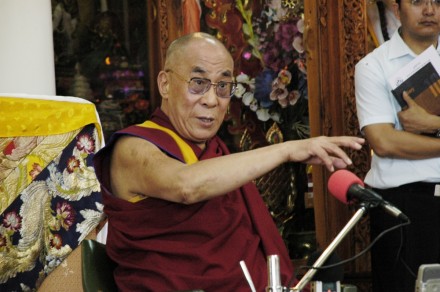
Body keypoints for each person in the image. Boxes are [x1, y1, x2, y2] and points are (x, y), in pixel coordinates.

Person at [93, 32, 365, 291]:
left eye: (223, 86)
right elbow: (186, 185)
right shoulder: (133, 147)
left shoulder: (217, 155)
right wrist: (287, 150)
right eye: (198, 83)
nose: (211, 100)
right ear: (165, 84)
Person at [355, 1, 440, 291]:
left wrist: (431, 124)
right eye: (417, 1)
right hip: (404, 206)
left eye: (438, 2)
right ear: (396, 6)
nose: (429, 10)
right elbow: (385, 141)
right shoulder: (372, 65)